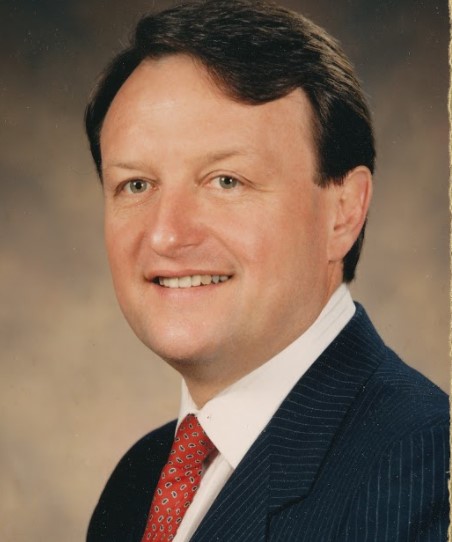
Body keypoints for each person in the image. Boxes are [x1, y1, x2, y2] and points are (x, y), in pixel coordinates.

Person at [85, 1, 449, 540]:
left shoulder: (423, 468)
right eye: (136, 185)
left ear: (342, 212)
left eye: (226, 180)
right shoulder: (138, 481)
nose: (165, 234)